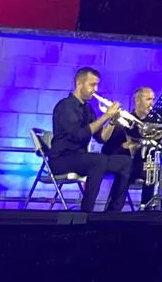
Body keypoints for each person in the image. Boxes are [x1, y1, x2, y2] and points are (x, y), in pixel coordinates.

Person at [49, 66, 132, 213]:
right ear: (79, 84)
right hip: (62, 159)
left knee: (125, 162)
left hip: (81, 158)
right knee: (97, 161)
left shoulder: (88, 109)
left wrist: (112, 121)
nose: (95, 89)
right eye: (92, 85)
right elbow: (79, 134)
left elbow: (101, 138)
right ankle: (87, 212)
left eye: (97, 85)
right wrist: (105, 116)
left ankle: (113, 212)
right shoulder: (65, 106)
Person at [100, 86, 162, 212]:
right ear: (137, 101)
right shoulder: (124, 121)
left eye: (153, 99)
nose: (152, 104)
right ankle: (114, 212)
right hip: (130, 167)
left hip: (151, 165)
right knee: (139, 171)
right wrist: (125, 146)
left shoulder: (156, 121)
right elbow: (107, 150)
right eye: (148, 99)